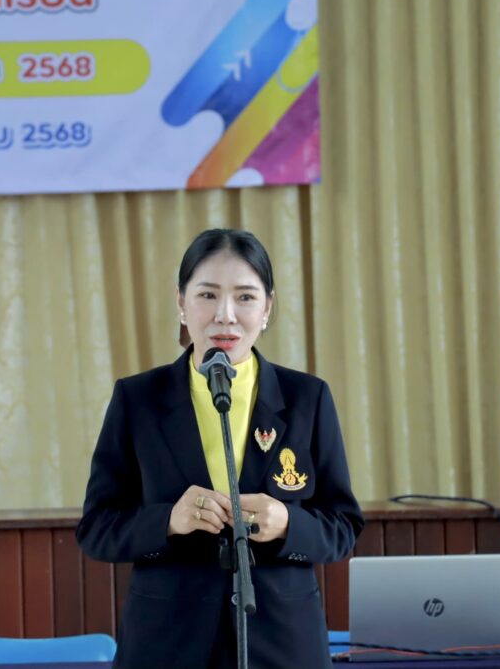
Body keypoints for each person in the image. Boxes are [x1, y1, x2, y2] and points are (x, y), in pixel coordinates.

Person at [76, 228, 364, 669]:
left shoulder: (307, 398)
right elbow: (97, 528)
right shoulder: (137, 399)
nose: (225, 316)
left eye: (245, 297)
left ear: (267, 308)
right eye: (207, 295)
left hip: (282, 643)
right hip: (167, 644)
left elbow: (342, 527)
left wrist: (288, 523)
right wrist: (167, 521)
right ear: (181, 302)